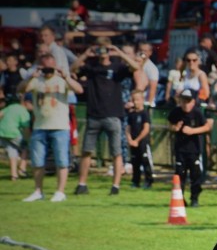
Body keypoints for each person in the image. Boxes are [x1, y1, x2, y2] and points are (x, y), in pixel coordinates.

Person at [71, 38, 141, 196]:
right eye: (100, 48)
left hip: (113, 115)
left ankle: (115, 186)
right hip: (94, 115)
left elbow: (136, 67)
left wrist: (119, 53)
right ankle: (82, 184)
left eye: (105, 49)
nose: (102, 52)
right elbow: (73, 69)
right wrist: (86, 54)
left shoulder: (117, 67)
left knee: (116, 152)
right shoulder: (91, 66)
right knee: (87, 151)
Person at [22, 53, 83, 202]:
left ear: (55, 66)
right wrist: (31, 77)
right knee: (37, 161)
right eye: (45, 67)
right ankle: (38, 191)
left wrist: (66, 76)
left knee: (62, 160)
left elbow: (79, 90)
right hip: (40, 126)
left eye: (51, 67)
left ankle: (60, 192)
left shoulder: (61, 80)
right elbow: (21, 89)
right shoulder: (36, 81)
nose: (48, 70)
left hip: (60, 126)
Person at [168, 89, 213, 206]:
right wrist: (175, 128)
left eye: (188, 101)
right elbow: (170, 125)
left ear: (193, 102)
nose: (185, 104)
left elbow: (207, 127)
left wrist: (193, 131)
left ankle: (194, 198)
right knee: (179, 176)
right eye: (183, 101)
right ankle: (180, 199)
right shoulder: (176, 112)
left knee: (195, 176)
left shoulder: (197, 113)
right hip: (180, 150)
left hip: (194, 150)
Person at [125, 90, 154, 189]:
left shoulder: (144, 114)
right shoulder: (131, 114)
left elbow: (146, 129)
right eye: (133, 100)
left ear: (142, 100)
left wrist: (137, 140)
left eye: (137, 99)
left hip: (142, 143)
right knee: (135, 163)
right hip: (133, 143)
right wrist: (129, 139)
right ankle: (135, 181)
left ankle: (148, 180)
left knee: (145, 161)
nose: (135, 102)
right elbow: (128, 128)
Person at [0, 94, 31, 181]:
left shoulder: (10, 107)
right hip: (13, 133)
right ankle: (22, 169)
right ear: (27, 103)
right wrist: (28, 140)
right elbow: (26, 129)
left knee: (12, 152)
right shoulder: (24, 112)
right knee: (25, 147)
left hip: (2, 133)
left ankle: (14, 175)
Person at [137, 42, 159, 107]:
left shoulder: (152, 68)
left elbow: (153, 88)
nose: (142, 53)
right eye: (141, 50)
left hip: (144, 101)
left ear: (150, 52)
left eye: (145, 51)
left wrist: (149, 104)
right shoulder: (135, 63)